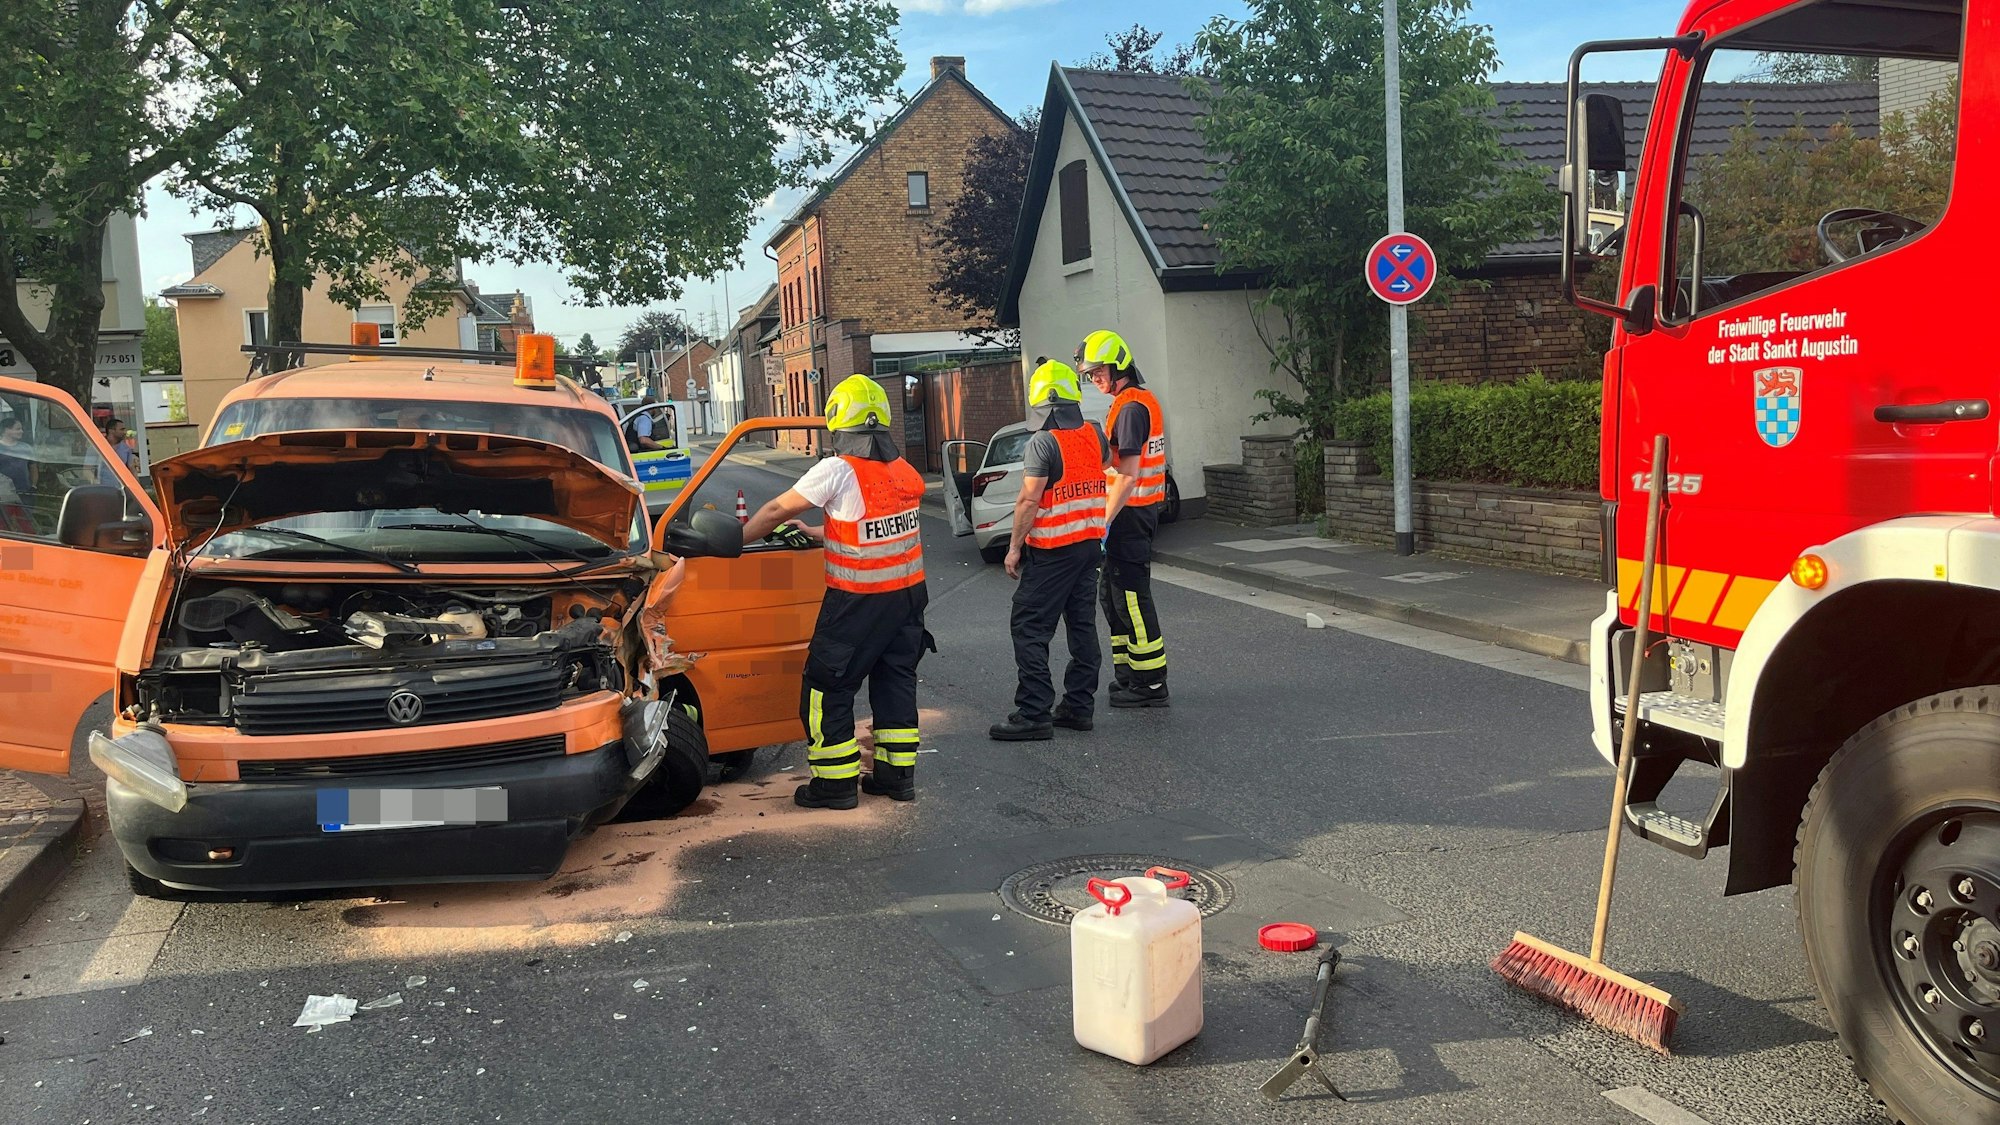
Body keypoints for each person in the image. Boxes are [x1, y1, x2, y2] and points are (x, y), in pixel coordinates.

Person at [740, 374, 931, 808]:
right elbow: (876, 530)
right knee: (894, 680)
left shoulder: (836, 469)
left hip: (857, 602)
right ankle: (896, 777)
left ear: (838, 423)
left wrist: (736, 541)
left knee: (825, 687)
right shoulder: (903, 471)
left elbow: (774, 509)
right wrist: (823, 533)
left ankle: (836, 783)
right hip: (907, 598)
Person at [990, 360, 1109, 741]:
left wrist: (1013, 548)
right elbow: (1101, 467)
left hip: (1054, 550)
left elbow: (1028, 500)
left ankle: (1034, 712)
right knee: (1082, 627)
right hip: (1089, 546)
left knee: (1028, 626)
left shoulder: (1043, 442)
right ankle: (1078, 707)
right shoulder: (1094, 433)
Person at [1078, 330, 1170, 708]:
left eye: (1099, 372)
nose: (1094, 379)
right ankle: (1129, 674)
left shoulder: (1132, 408)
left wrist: (1101, 522)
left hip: (1130, 516)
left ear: (1119, 368)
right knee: (1112, 596)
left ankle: (1150, 684)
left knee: (1131, 598)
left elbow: (1128, 475)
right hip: (1128, 515)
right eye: (1089, 374)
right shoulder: (1126, 403)